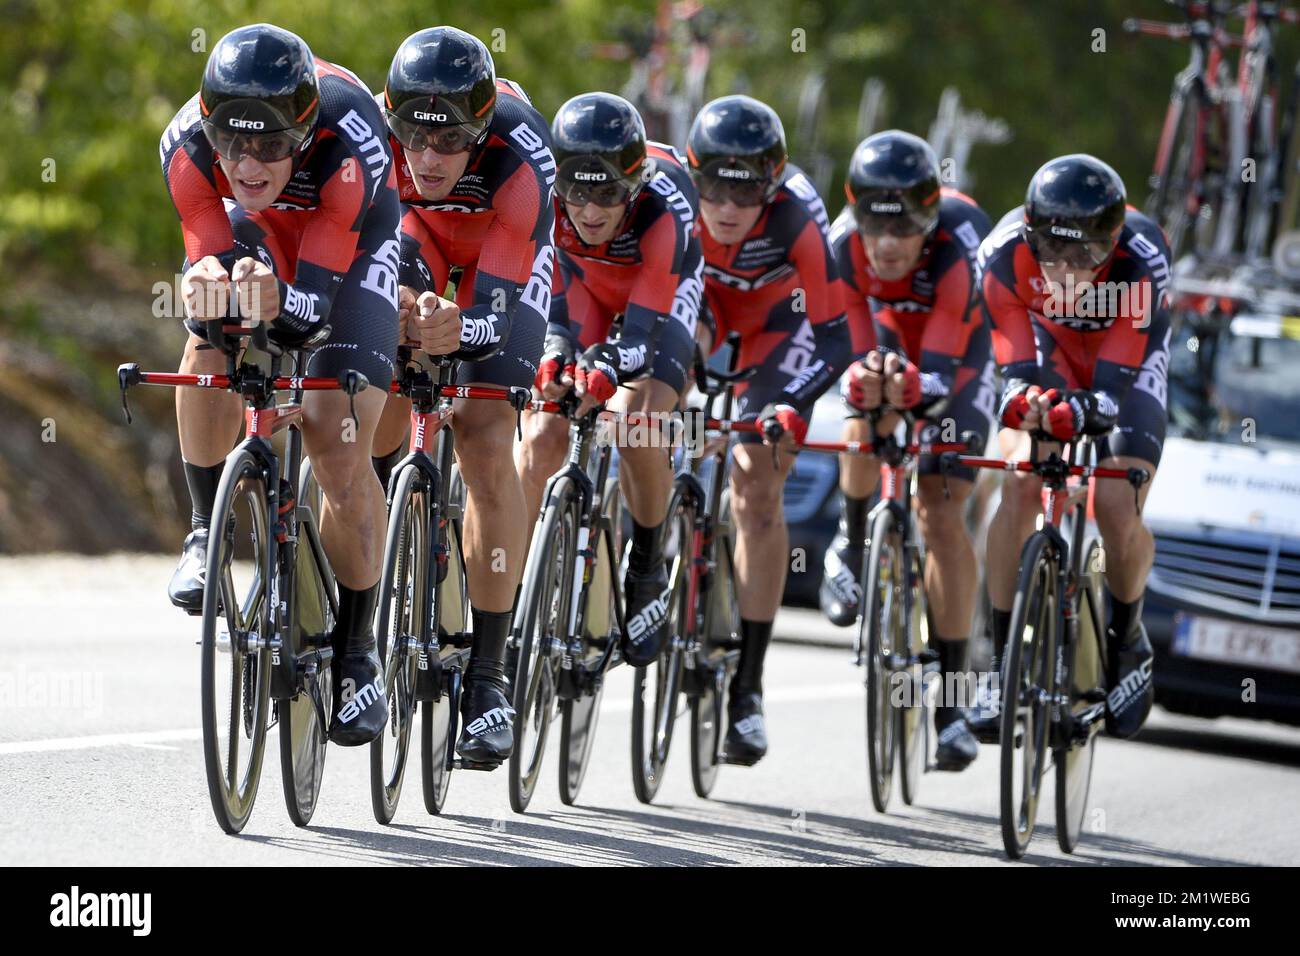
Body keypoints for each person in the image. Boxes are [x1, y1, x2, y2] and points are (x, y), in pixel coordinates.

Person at [162, 24, 399, 745]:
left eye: (270, 146)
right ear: (210, 130)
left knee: (335, 436)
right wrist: (206, 284)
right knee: (207, 333)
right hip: (260, 231)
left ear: (303, 131)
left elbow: (314, 311)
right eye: (234, 144)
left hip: (349, 245)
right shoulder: (184, 149)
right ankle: (206, 529)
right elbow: (207, 248)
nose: (250, 161)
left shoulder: (352, 139)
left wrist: (280, 304)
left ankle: (357, 654)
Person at [374, 26, 556, 766]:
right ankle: (390, 511)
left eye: (448, 141)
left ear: (481, 131)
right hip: (422, 237)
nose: (427, 156)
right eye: (414, 137)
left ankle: (488, 678)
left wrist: (459, 324)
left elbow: (500, 313)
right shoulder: (377, 144)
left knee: (483, 432)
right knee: (379, 360)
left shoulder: (521, 156)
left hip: (504, 261)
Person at [972, 154, 1169, 741]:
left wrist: (1091, 407)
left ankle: (1127, 637)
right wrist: (1026, 403)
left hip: (1124, 362)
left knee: (1115, 505)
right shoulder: (1002, 255)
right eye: (1051, 252)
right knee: (1022, 479)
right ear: (1029, 232)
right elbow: (1015, 367)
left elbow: (1112, 387)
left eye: (1085, 255)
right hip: (1051, 349)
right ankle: (999, 658)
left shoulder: (1140, 264)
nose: (1065, 270)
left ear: (1111, 246)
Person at [823, 130, 996, 770]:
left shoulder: (960, 246)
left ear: (931, 220)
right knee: (866, 403)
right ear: (858, 216)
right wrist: (872, 386)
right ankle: (853, 538)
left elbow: (945, 375)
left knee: (941, 504)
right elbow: (852, 349)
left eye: (907, 230)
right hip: (892, 337)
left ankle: (951, 704)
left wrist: (914, 393)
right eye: (877, 228)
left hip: (963, 353)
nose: (890, 245)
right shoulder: (842, 246)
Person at [688, 95, 851, 764]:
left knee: (756, 482)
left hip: (779, 336)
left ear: (774, 185)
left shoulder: (798, 217)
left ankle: (747, 689)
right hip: (702, 309)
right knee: (647, 408)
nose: (728, 207)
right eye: (714, 188)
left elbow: (836, 341)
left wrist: (787, 404)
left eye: (746, 190)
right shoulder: (673, 198)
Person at [515, 92, 703, 666]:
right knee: (544, 428)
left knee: (635, 420)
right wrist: (554, 353)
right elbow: (547, 305)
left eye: (608, 195)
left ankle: (645, 567)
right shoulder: (541, 198)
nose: (590, 211)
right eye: (577, 193)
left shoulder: (665, 207)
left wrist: (604, 366)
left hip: (658, 298)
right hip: (584, 288)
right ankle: (515, 584)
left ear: (635, 186)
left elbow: (641, 338)